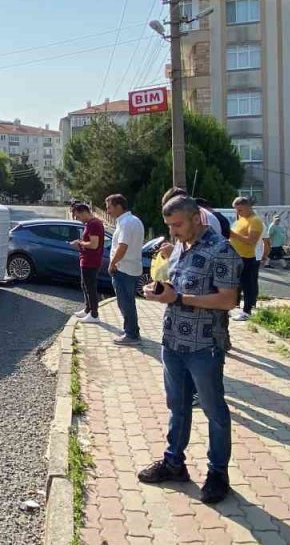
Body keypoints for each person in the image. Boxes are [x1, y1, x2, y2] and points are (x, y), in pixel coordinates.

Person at [138, 196, 242, 505]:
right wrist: (161, 291)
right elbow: (178, 286)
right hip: (172, 343)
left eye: (178, 225)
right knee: (178, 406)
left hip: (204, 347)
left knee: (214, 412)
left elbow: (228, 300)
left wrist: (179, 298)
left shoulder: (222, 251)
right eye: (169, 226)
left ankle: (218, 474)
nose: (173, 232)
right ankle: (174, 464)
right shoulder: (181, 247)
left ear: (197, 218)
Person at [105, 193, 145, 345]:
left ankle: (131, 335)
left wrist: (112, 263)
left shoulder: (126, 223)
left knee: (125, 303)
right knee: (128, 302)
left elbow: (122, 246)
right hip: (132, 267)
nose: (108, 211)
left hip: (124, 269)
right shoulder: (134, 220)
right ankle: (131, 330)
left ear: (119, 206)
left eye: (109, 207)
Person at [228, 196, 264, 321]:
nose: (238, 213)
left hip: (247, 257)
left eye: (240, 210)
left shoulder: (255, 221)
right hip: (236, 256)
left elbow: (251, 241)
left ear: (248, 207)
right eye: (236, 210)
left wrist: (233, 235)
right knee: (236, 284)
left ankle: (247, 311)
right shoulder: (241, 219)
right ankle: (232, 307)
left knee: (247, 284)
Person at [69, 203, 105, 324]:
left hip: (91, 260)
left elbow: (94, 244)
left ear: (83, 212)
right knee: (85, 285)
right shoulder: (90, 223)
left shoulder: (93, 224)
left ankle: (94, 315)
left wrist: (79, 243)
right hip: (86, 259)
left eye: (77, 216)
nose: (77, 219)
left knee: (90, 287)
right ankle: (88, 309)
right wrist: (82, 242)